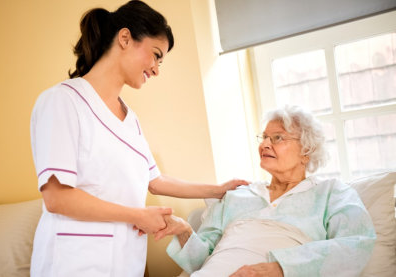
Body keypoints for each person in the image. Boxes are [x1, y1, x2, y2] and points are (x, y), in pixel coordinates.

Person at [29, 1, 248, 276]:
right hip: (74, 262)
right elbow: (57, 199)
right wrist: (138, 215)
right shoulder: (62, 101)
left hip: (125, 262)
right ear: (125, 38)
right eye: (156, 55)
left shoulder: (130, 119)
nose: (156, 69)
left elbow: (155, 181)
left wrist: (217, 190)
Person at [156, 106, 376, 277]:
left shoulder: (331, 192)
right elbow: (200, 260)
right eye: (264, 137)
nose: (265, 145)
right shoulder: (237, 195)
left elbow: (356, 245)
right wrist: (184, 231)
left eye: (277, 138)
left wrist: (281, 268)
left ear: (307, 151)